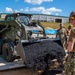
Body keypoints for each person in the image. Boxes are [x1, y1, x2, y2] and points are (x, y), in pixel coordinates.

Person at [64, 11, 75, 75]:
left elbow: (70, 47)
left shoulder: (73, 30)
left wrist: (67, 54)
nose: (70, 21)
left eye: (71, 19)